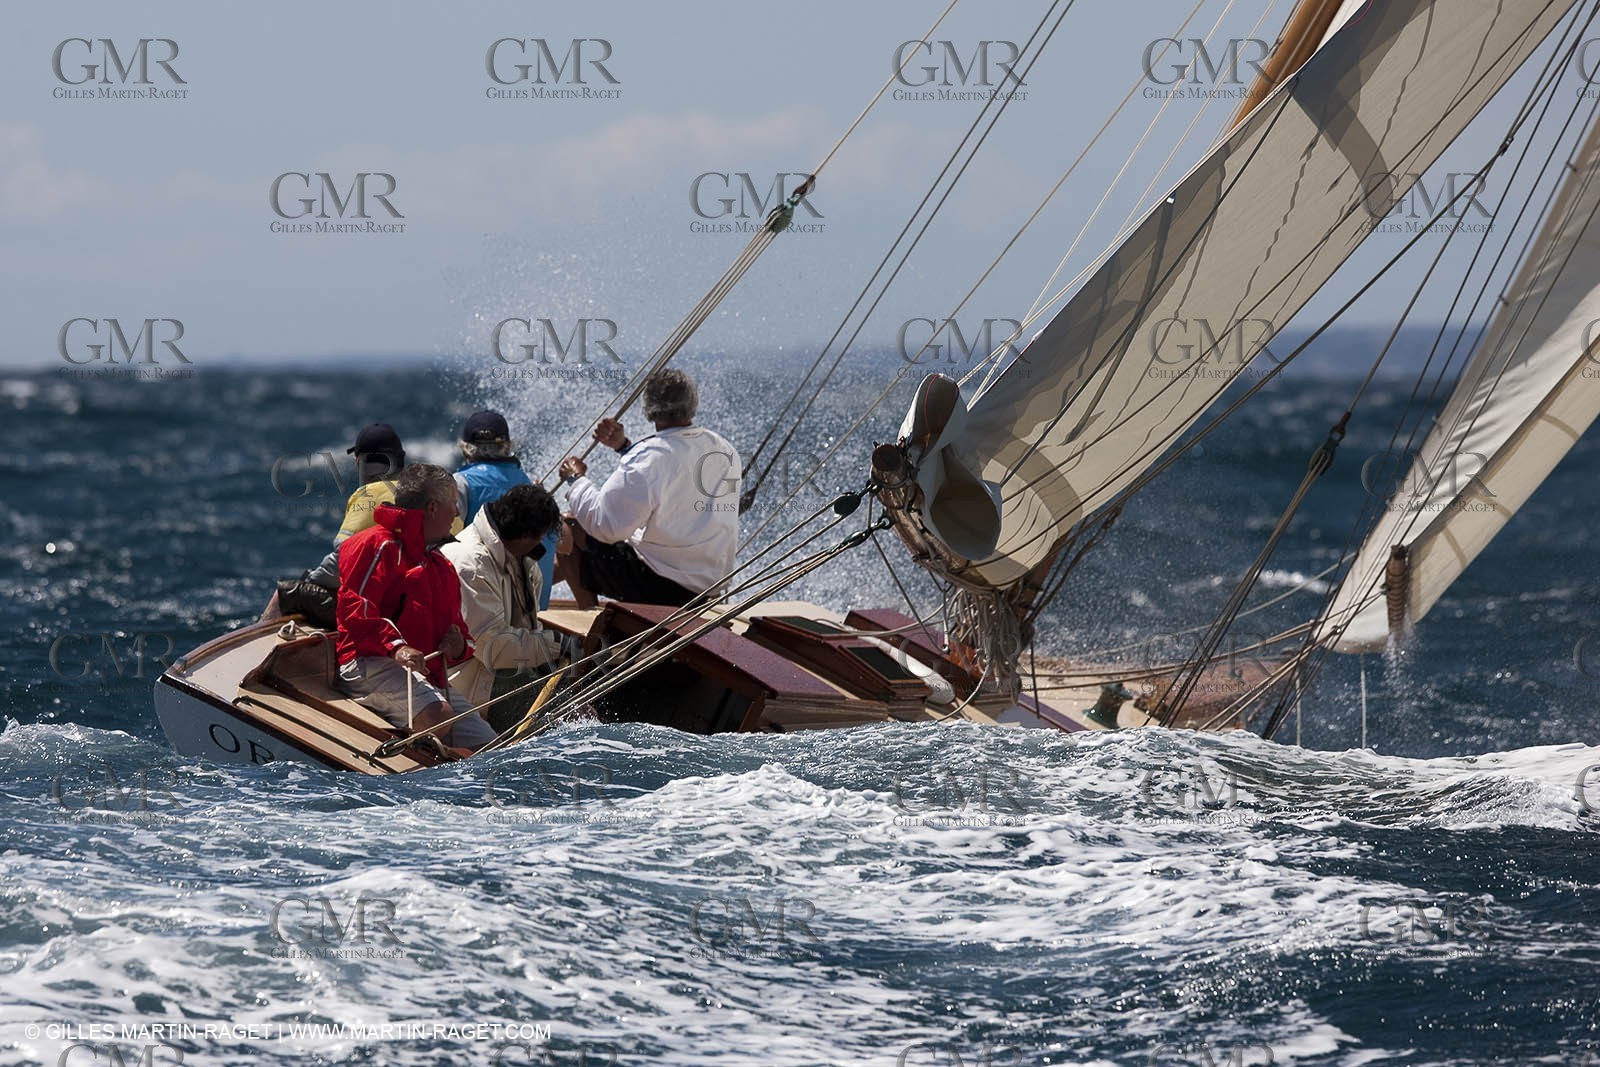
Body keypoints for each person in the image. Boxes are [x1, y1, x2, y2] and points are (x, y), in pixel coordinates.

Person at [334, 463, 495, 753]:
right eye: (453, 505)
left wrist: (458, 646)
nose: (457, 513)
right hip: (366, 662)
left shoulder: (441, 566)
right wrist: (397, 647)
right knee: (439, 717)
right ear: (433, 508)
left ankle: (447, 763)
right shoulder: (378, 545)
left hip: (422, 676)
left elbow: (463, 636)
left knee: (490, 745)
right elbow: (355, 609)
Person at [556, 369, 740, 608]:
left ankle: (592, 633)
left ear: (648, 408)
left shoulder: (649, 458)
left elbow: (606, 527)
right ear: (693, 404)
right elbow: (671, 475)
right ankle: (531, 581)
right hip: (710, 588)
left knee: (567, 528)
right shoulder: (725, 449)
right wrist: (623, 446)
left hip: (663, 587)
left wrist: (575, 480)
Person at [440, 484, 564, 712]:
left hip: (502, 673)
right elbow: (494, 649)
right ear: (528, 535)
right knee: (565, 711)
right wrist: (557, 644)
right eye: (540, 537)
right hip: (469, 686)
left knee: (583, 688)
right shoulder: (469, 564)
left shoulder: (519, 557)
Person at [454, 410, 561, 610]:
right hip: (536, 614)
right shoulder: (533, 488)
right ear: (507, 446)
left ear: (466, 449)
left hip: (485, 611)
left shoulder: (461, 484)